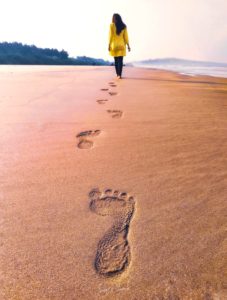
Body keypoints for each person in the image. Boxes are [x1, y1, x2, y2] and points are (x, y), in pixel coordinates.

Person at [108, 13, 131, 79]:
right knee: (120, 60)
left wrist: (109, 44)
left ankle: (117, 74)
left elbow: (110, 36)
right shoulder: (124, 26)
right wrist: (128, 45)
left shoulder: (111, 25)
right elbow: (126, 37)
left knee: (116, 60)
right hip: (121, 45)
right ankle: (120, 75)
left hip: (114, 45)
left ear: (113, 18)